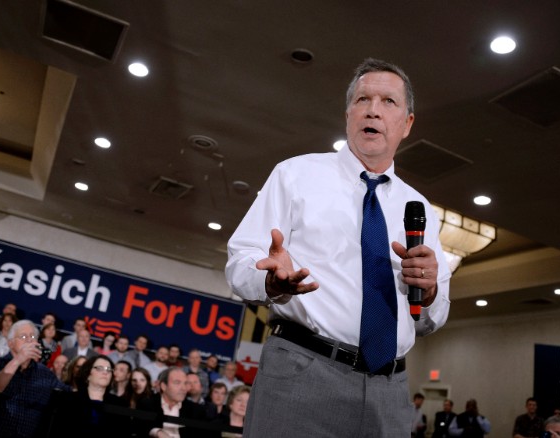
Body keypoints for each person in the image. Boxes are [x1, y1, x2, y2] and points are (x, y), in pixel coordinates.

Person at [224, 57, 450, 437]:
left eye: (388, 102)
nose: (373, 110)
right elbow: (241, 262)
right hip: (302, 373)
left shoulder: (420, 207)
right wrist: (269, 281)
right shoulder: (296, 175)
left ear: (407, 123)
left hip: (389, 391)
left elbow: (433, 315)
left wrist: (428, 293)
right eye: (363, 99)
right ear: (348, 114)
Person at [0, 319, 70, 437]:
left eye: (33, 336)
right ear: (10, 343)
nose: (29, 340)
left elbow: (69, 395)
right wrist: (18, 360)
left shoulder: (45, 373)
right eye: (23, 336)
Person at [42, 355, 131, 437]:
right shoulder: (66, 399)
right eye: (99, 368)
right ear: (88, 374)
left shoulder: (120, 404)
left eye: (109, 369)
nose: (105, 372)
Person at [136, 366, 217, 438]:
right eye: (177, 383)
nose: (183, 388)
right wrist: (158, 432)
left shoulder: (196, 410)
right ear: (163, 386)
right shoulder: (147, 403)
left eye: (185, 383)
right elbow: (141, 427)